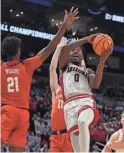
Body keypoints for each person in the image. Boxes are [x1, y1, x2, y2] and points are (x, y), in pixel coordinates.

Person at [1, 6, 79, 152]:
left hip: (7, 111)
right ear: (18, 51)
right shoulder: (27, 66)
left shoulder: (1, 68)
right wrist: (64, 26)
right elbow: (50, 47)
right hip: (23, 115)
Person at [58, 35, 113, 152]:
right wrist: (86, 39)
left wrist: (102, 60)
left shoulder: (87, 71)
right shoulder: (63, 67)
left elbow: (96, 84)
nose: (75, 51)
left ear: (82, 56)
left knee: (82, 121)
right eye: (73, 50)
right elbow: (66, 49)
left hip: (85, 101)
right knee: (77, 149)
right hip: (69, 107)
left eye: (78, 50)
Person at [49, 39, 73, 152]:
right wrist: (59, 48)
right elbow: (52, 68)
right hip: (54, 137)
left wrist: (75, 50)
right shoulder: (56, 90)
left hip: (68, 135)